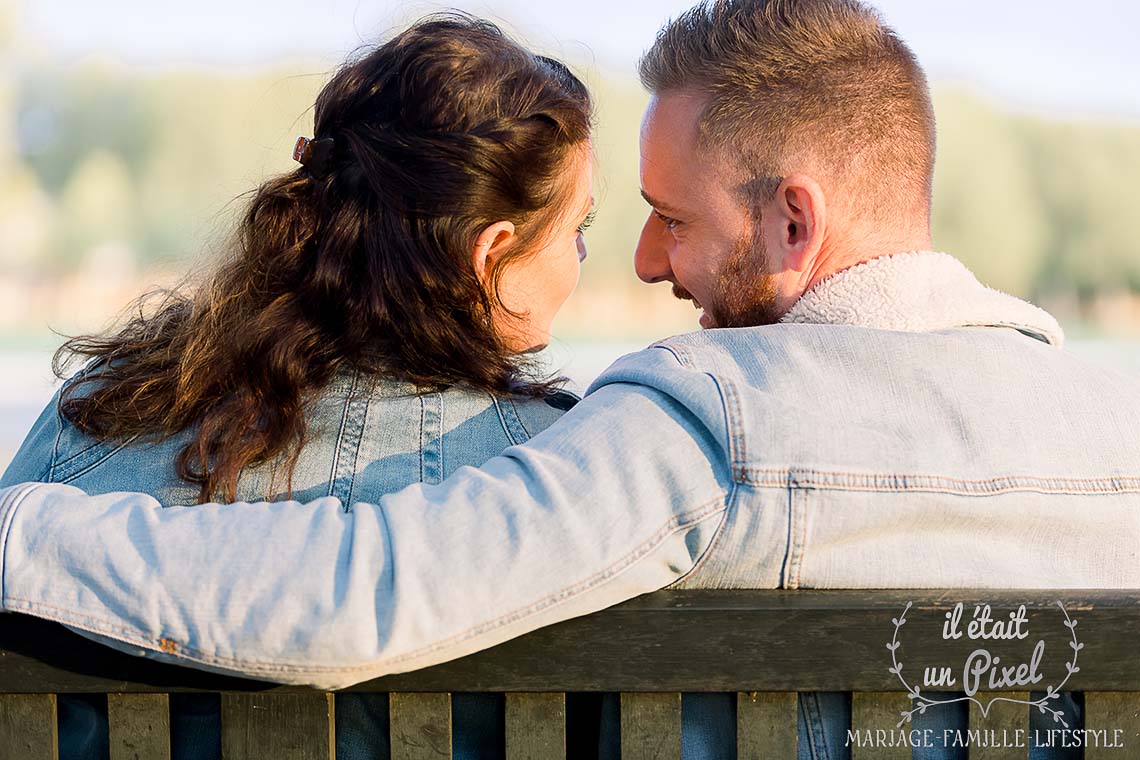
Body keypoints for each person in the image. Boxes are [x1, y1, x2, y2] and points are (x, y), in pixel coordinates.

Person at [2, 0, 1137, 758]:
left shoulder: (707, 422)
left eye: (668, 220)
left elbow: (359, 591)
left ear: (795, 219)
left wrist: (23, 536)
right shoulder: (1115, 425)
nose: (646, 265)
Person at [1, 14, 593, 760]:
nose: (583, 254)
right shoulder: (561, 469)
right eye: (579, 226)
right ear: (491, 254)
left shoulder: (104, 410)